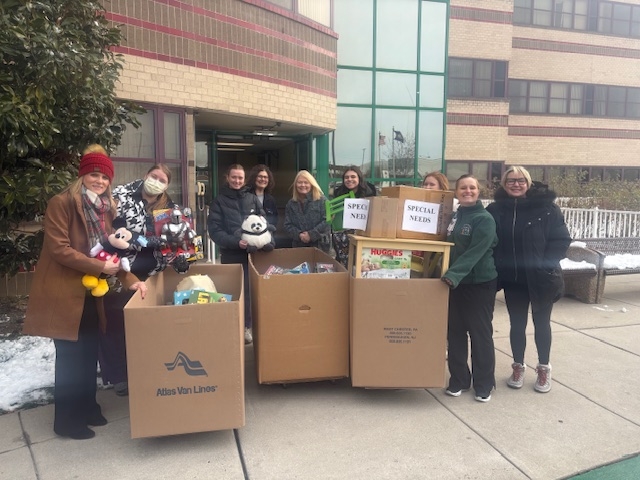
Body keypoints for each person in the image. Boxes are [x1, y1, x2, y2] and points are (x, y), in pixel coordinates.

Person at [23, 146, 147, 440]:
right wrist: (98, 266)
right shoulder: (62, 203)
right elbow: (59, 249)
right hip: (64, 292)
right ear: (83, 175)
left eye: (105, 177)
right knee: (70, 357)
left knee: (89, 353)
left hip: (92, 293)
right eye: (94, 174)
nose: (100, 181)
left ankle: (87, 406)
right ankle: (66, 420)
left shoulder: (105, 210)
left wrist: (132, 279)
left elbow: (112, 252)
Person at [486, 166, 571, 393]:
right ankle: (518, 366)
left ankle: (543, 368)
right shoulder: (496, 210)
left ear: (528, 183)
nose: (516, 184)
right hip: (514, 280)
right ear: (504, 184)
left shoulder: (547, 209)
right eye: (511, 180)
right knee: (517, 325)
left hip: (541, 278)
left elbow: (561, 240)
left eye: (521, 180)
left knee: (542, 324)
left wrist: (546, 265)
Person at [99, 164, 178, 397]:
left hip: (152, 274)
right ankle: (118, 376)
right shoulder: (120, 197)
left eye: (162, 180)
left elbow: (170, 238)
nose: (156, 181)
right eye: (153, 176)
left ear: (166, 185)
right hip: (121, 271)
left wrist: (175, 249)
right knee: (114, 324)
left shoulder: (168, 207)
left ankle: (141, 370)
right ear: (145, 175)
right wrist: (146, 240)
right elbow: (114, 232)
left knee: (142, 328)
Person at [441, 174, 498, 403]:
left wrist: (453, 274)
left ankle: (484, 384)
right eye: (463, 188)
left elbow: (476, 251)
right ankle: (459, 380)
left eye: (472, 187)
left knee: (480, 334)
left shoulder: (484, 219)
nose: (468, 191)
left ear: (478, 191)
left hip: (479, 283)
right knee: (454, 333)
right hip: (455, 284)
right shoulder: (456, 216)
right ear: (456, 192)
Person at [207, 164, 265, 345]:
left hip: (253, 255)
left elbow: (263, 221)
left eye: (240, 178)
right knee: (232, 292)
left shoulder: (252, 199)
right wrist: (235, 242)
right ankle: (232, 326)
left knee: (251, 292)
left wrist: (263, 241)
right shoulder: (219, 201)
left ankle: (248, 327)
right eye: (234, 177)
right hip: (231, 254)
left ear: (245, 179)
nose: (237, 181)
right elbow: (215, 231)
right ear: (227, 178)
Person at [331, 166, 377, 267]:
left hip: (365, 232)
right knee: (346, 263)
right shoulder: (338, 193)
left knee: (363, 262)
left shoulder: (370, 191)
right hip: (344, 234)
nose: (349, 180)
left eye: (353, 177)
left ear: (359, 178)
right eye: (346, 177)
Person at [284, 170, 330, 249]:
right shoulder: (291, 204)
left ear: (311, 184)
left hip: (320, 246)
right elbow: (287, 225)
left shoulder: (322, 200)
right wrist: (299, 235)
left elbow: (327, 221)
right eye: (299, 182)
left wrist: (311, 235)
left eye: (306, 182)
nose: (302, 185)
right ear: (295, 185)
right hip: (299, 246)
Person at [246, 164, 278, 229]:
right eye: (260, 176)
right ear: (254, 178)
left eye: (265, 177)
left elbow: (274, 220)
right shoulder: (246, 197)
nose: (263, 179)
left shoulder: (271, 200)